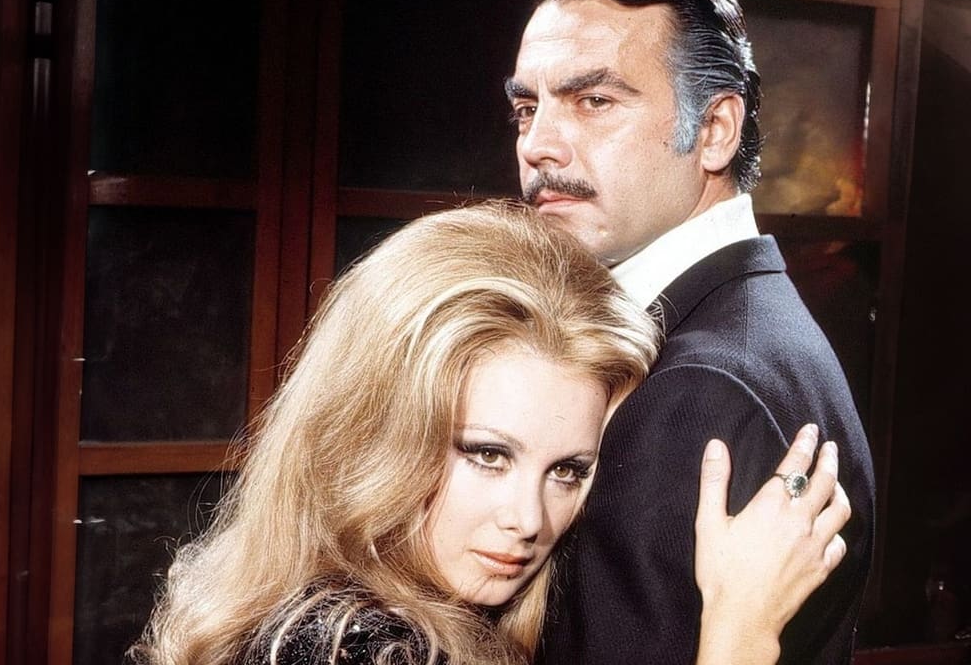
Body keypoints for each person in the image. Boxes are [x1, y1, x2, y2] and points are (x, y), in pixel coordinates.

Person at [130, 201, 850, 665]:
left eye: (567, 470)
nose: (529, 521)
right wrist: (741, 632)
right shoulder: (355, 647)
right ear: (375, 435)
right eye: (487, 454)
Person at [504, 0, 875, 663]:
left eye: (594, 101)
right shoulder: (741, 328)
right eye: (527, 108)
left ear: (714, 132)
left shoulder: (699, 391)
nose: (539, 146)